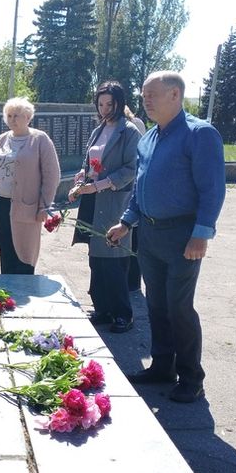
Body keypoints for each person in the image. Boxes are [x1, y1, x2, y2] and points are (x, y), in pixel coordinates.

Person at [106, 71, 226, 404]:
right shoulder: (149, 138)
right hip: (150, 234)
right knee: (156, 305)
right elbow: (139, 189)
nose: (145, 100)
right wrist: (126, 222)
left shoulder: (199, 134)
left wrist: (201, 233)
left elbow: (212, 189)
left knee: (179, 308)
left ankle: (191, 378)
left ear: (175, 95)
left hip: (182, 236)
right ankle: (162, 367)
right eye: (144, 94)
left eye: (152, 94)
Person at [68, 81, 141, 333]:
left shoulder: (130, 132)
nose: (104, 108)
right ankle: (102, 309)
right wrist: (80, 178)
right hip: (92, 199)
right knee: (96, 259)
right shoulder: (98, 130)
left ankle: (123, 314)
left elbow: (132, 169)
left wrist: (100, 185)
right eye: (100, 104)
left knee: (114, 257)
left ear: (120, 103)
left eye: (110, 103)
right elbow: (88, 163)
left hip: (113, 201)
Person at [0, 97, 60, 274]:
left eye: (16, 115)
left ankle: (24, 289)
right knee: (6, 248)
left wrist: (44, 206)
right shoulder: (2, 139)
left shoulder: (40, 139)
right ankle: (7, 290)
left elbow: (51, 175)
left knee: (24, 252)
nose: (12, 119)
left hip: (26, 207)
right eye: (9, 115)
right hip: (1, 203)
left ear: (28, 116)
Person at [124, 104, 146, 292]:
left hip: (132, 187)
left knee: (134, 236)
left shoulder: (135, 126)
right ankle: (131, 281)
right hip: (129, 189)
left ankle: (133, 281)